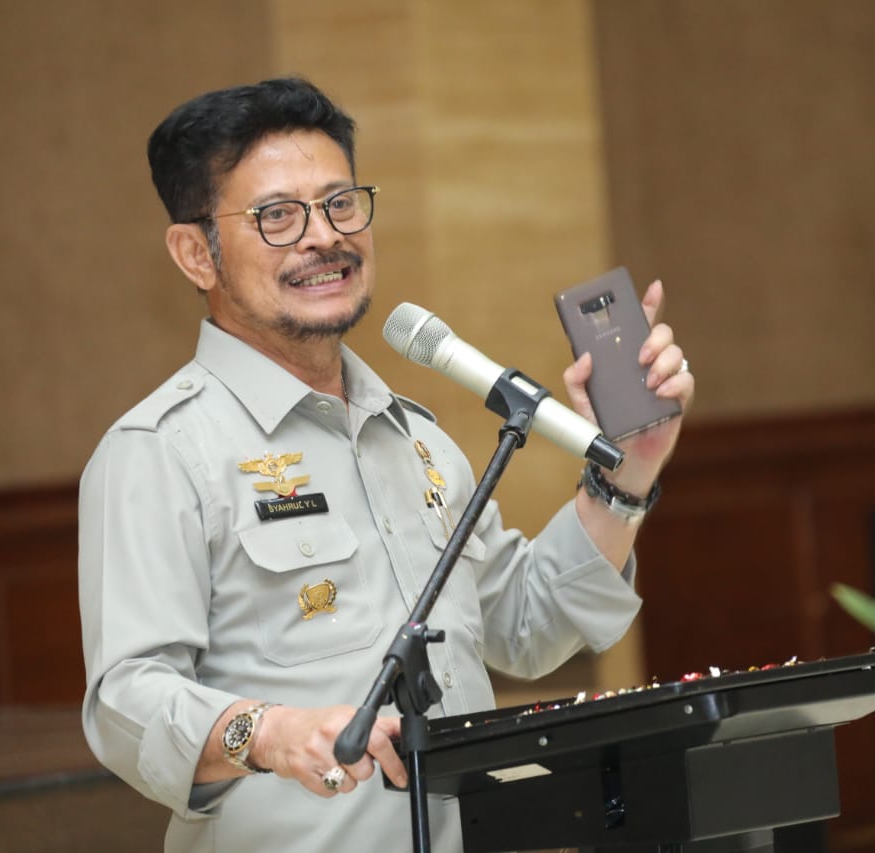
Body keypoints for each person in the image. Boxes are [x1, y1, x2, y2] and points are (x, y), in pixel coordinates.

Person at [78, 76, 694, 853]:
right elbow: (126, 702)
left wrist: (627, 470)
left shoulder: (415, 438)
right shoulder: (161, 450)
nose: (324, 237)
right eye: (277, 216)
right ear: (196, 253)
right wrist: (266, 733)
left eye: (340, 203)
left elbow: (528, 626)